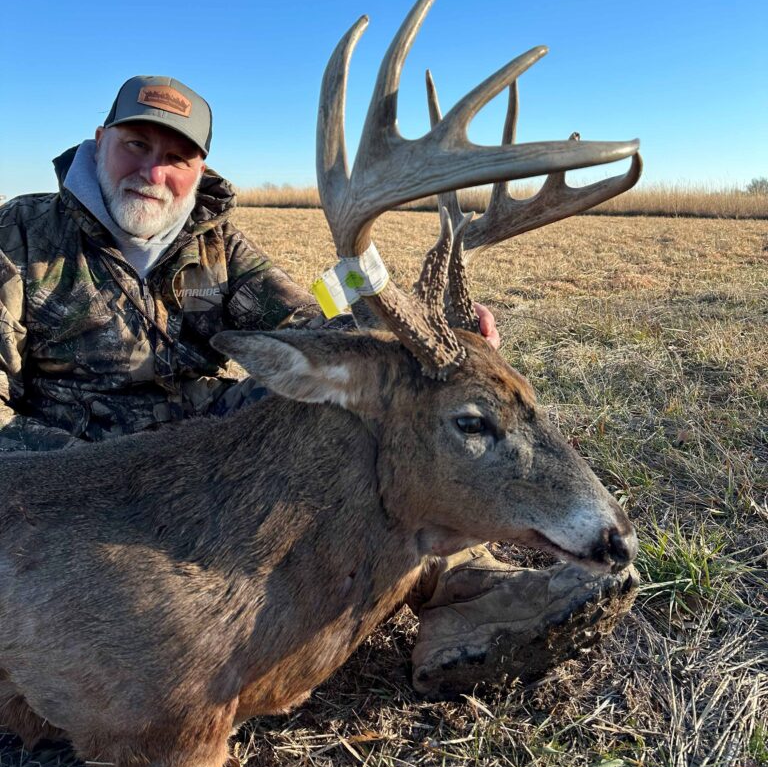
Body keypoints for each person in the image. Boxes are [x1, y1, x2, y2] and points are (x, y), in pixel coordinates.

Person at [0, 75, 636, 697]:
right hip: (69, 457)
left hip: (196, 439)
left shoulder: (216, 244)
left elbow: (309, 328)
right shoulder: (22, 236)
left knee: (358, 410)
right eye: (136, 145)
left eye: (175, 157)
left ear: (198, 169)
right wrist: (64, 470)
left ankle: (469, 588)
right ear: (100, 138)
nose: (152, 171)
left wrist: (440, 354)